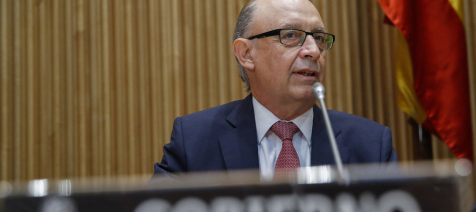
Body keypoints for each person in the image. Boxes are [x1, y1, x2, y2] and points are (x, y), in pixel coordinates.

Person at [153, 0, 397, 178]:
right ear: (246, 54)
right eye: (291, 35)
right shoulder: (194, 142)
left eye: (319, 38)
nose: (313, 51)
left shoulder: (371, 146)